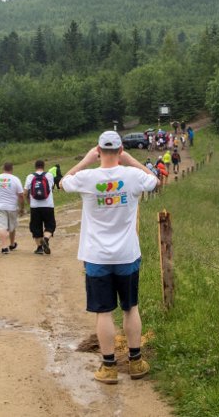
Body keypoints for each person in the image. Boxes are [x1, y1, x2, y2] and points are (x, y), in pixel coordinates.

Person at [61, 131, 158, 384]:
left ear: (98, 151)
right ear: (121, 150)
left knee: (103, 312)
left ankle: (109, 367)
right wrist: (131, 160)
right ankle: (136, 362)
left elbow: (63, 182)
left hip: (97, 257)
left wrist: (85, 161)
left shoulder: (87, 178)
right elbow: (154, 180)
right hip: (127, 254)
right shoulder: (132, 176)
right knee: (130, 307)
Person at [0, 162, 25, 255]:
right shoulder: (15, 179)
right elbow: (21, 195)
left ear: (3, 168)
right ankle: (12, 244)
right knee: (12, 226)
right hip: (12, 207)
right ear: (12, 169)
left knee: (2, 226)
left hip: (0, 206)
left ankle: (4, 247)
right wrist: (22, 208)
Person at [23, 160, 55, 255]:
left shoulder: (30, 176)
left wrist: (28, 202)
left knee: (36, 227)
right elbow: (51, 187)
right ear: (44, 166)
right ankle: (46, 239)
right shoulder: (49, 175)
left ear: (35, 166)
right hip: (48, 205)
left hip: (35, 206)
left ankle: (39, 248)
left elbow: (25, 193)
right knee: (50, 225)